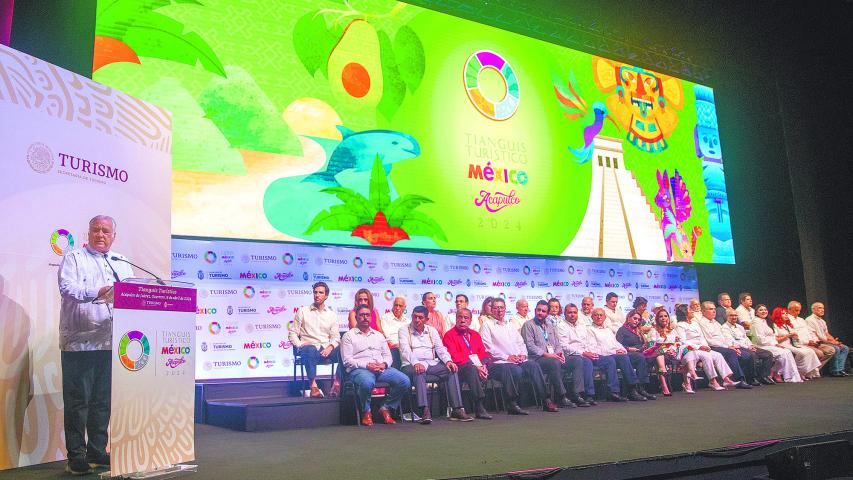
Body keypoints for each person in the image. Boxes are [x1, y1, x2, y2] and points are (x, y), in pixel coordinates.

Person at [58, 215, 134, 475]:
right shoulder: (74, 258)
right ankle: (76, 456)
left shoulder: (121, 262)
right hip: (79, 344)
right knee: (78, 403)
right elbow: (68, 288)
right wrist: (100, 291)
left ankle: (97, 451)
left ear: (114, 236)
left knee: (103, 402)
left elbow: (132, 293)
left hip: (110, 342)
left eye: (106, 231)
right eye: (96, 230)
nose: (100, 234)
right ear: (88, 233)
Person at [480, 298, 558, 414]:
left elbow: (520, 342)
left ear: (505, 309)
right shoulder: (487, 325)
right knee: (511, 369)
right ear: (491, 309)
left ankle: (546, 399)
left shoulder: (509, 325)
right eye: (496, 308)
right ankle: (512, 403)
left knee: (533, 365)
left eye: (501, 307)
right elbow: (488, 348)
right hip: (498, 363)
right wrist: (507, 357)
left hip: (517, 360)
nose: (499, 310)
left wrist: (522, 355)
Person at [398, 306, 472, 424]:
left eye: (420, 318)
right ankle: (424, 410)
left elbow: (440, 349)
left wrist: (448, 361)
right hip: (410, 364)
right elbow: (405, 350)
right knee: (419, 371)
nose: (417, 320)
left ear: (427, 319)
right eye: (414, 317)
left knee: (452, 370)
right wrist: (416, 362)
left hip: (431, 363)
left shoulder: (432, 331)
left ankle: (457, 409)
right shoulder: (403, 330)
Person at [341, 304, 411, 426]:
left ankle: (386, 407)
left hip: (381, 368)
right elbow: (347, 361)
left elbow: (388, 356)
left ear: (371, 317)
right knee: (367, 382)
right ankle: (366, 411)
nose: (365, 318)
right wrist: (367, 365)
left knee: (404, 380)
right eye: (361, 315)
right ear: (356, 317)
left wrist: (384, 364)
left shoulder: (379, 335)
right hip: (360, 369)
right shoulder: (348, 336)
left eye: (367, 315)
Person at [521, 301, 580, 407]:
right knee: (553, 363)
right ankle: (562, 396)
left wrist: (560, 354)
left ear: (547, 313)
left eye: (543, 311)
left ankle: (577, 394)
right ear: (535, 311)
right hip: (537, 359)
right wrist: (547, 354)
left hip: (554, 357)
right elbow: (530, 346)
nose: (540, 313)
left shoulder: (550, 326)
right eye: (538, 310)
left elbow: (557, 344)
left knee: (577, 360)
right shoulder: (528, 325)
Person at [290, 282, 341, 398]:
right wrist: (300, 344)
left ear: (326, 296)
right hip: (309, 348)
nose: (317, 295)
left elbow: (336, 337)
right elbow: (292, 333)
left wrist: (330, 347)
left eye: (320, 293)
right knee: (310, 349)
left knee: (344, 349)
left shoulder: (331, 314)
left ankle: (337, 383)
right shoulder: (303, 311)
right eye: (315, 292)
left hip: (326, 348)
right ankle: (313, 385)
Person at [443, 308, 493, 419]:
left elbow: (483, 353)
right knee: (471, 369)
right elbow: (454, 356)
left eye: (466, 318)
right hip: (459, 368)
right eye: (460, 317)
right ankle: (479, 406)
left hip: (477, 367)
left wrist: (483, 365)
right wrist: (476, 366)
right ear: (456, 319)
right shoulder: (449, 335)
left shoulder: (475, 334)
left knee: (494, 367)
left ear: (470, 321)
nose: (462, 320)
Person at [587, 308, 646, 401]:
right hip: (601, 355)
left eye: (601, 315)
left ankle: (632, 389)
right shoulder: (589, 329)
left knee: (624, 357)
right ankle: (613, 392)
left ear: (605, 317)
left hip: (612, 354)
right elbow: (593, 348)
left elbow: (616, 343)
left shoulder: (607, 330)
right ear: (592, 317)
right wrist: (614, 352)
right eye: (596, 315)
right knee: (611, 360)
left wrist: (623, 350)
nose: (599, 317)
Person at [676, 306, 735, 391]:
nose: (692, 311)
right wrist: (699, 347)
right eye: (690, 310)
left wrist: (706, 346)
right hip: (692, 349)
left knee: (718, 355)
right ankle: (712, 381)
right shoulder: (680, 325)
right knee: (707, 356)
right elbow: (683, 341)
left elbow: (702, 337)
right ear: (685, 313)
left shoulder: (695, 323)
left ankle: (726, 379)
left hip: (702, 347)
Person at [699, 302, 753, 388]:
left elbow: (724, 338)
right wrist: (728, 347)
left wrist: (731, 346)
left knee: (746, 355)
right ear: (703, 311)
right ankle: (739, 380)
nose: (714, 311)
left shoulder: (715, 322)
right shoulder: (702, 323)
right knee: (731, 353)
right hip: (713, 347)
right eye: (710, 309)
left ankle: (746, 378)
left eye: (714, 309)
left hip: (724, 346)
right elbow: (709, 341)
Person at [556, 303, 598, 405]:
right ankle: (583, 394)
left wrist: (590, 352)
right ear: (565, 314)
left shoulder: (582, 325)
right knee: (585, 361)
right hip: (569, 356)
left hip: (585, 353)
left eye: (575, 312)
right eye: (570, 312)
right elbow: (564, 346)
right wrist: (583, 353)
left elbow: (588, 341)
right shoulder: (561, 326)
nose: (572, 315)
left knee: (605, 359)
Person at [648, 308, 699, 394]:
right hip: (661, 354)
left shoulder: (673, 330)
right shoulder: (654, 331)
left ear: (668, 318)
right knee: (659, 352)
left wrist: (673, 349)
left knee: (688, 348)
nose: (663, 318)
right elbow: (651, 345)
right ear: (657, 319)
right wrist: (666, 349)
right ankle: (664, 386)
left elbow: (678, 342)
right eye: (661, 316)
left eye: (665, 316)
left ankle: (691, 373)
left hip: (674, 352)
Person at [749, 304, 802, 383]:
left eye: (765, 309)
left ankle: (787, 375)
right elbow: (760, 339)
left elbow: (773, 336)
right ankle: (788, 376)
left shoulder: (767, 321)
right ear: (756, 313)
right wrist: (773, 344)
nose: (764, 311)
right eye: (761, 310)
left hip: (770, 344)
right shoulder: (756, 322)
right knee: (784, 353)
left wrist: (775, 343)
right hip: (761, 346)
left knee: (787, 351)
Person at [722, 308, 775, 385]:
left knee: (768, 354)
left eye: (735, 315)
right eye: (731, 315)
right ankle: (751, 378)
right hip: (739, 347)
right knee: (752, 355)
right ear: (726, 317)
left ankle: (763, 376)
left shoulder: (740, 327)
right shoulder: (724, 327)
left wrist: (750, 345)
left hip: (747, 346)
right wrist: (747, 347)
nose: (734, 317)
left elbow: (746, 338)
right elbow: (731, 341)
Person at [615, 309, 657, 399]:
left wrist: (648, 347)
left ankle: (642, 388)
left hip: (640, 352)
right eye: (635, 318)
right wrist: (629, 348)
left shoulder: (639, 330)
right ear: (629, 318)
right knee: (640, 357)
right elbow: (617, 345)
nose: (637, 321)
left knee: (652, 356)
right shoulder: (622, 330)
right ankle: (635, 390)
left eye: (638, 320)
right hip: (627, 354)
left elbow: (643, 344)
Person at [771, 307, 821, 379]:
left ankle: (806, 372)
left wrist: (795, 336)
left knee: (810, 351)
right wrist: (788, 335)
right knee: (802, 353)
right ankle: (798, 371)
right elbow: (776, 340)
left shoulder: (788, 325)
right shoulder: (775, 325)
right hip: (783, 344)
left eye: (786, 313)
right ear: (778, 315)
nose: (785, 315)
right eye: (783, 314)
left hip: (793, 343)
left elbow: (794, 337)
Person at [805, 302, 849, 377]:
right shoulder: (809, 320)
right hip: (818, 342)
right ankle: (834, 371)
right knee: (836, 348)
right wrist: (832, 343)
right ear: (813, 309)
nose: (822, 310)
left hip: (825, 341)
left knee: (845, 348)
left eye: (823, 308)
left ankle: (840, 369)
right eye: (819, 308)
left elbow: (826, 334)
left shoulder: (822, 321)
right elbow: (817, 336)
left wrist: (834, 341)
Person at [788, 301, 835, 370]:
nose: (798, 312)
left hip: (810, 342)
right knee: (819, 353)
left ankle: (814, 369)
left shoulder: (801, 320)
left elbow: (807, 332)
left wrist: (811, 341)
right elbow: (794, 336)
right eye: (796, 310)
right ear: (789, 309)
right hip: (799, 344)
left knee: (831, 350)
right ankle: (806, 370)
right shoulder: (788, 320)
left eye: (799, 310)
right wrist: (807, 342)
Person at [379, 296, 410, 369]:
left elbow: (410, 337)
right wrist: (398, 345)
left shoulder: (407, 320)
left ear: (404, 307)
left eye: (400, 306)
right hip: (392, 347)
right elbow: (387, 336)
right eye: (396, 305)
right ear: (393, 306)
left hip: (405, 347)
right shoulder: (386, 317)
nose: (398, 308)